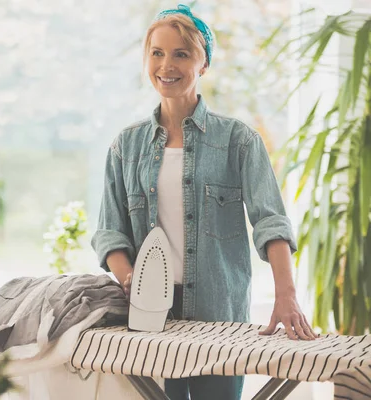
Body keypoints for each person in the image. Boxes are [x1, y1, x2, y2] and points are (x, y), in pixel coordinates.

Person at [90, 4, 317, 399]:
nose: (167, 65)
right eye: (157, 53)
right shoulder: (125, 147)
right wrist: (133, 284)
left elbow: (271, 222)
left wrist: (287, 295)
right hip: (152, 317)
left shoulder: (238, 141)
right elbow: (110, 232)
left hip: (220, 311)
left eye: (181, 53)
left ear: (203, 63)